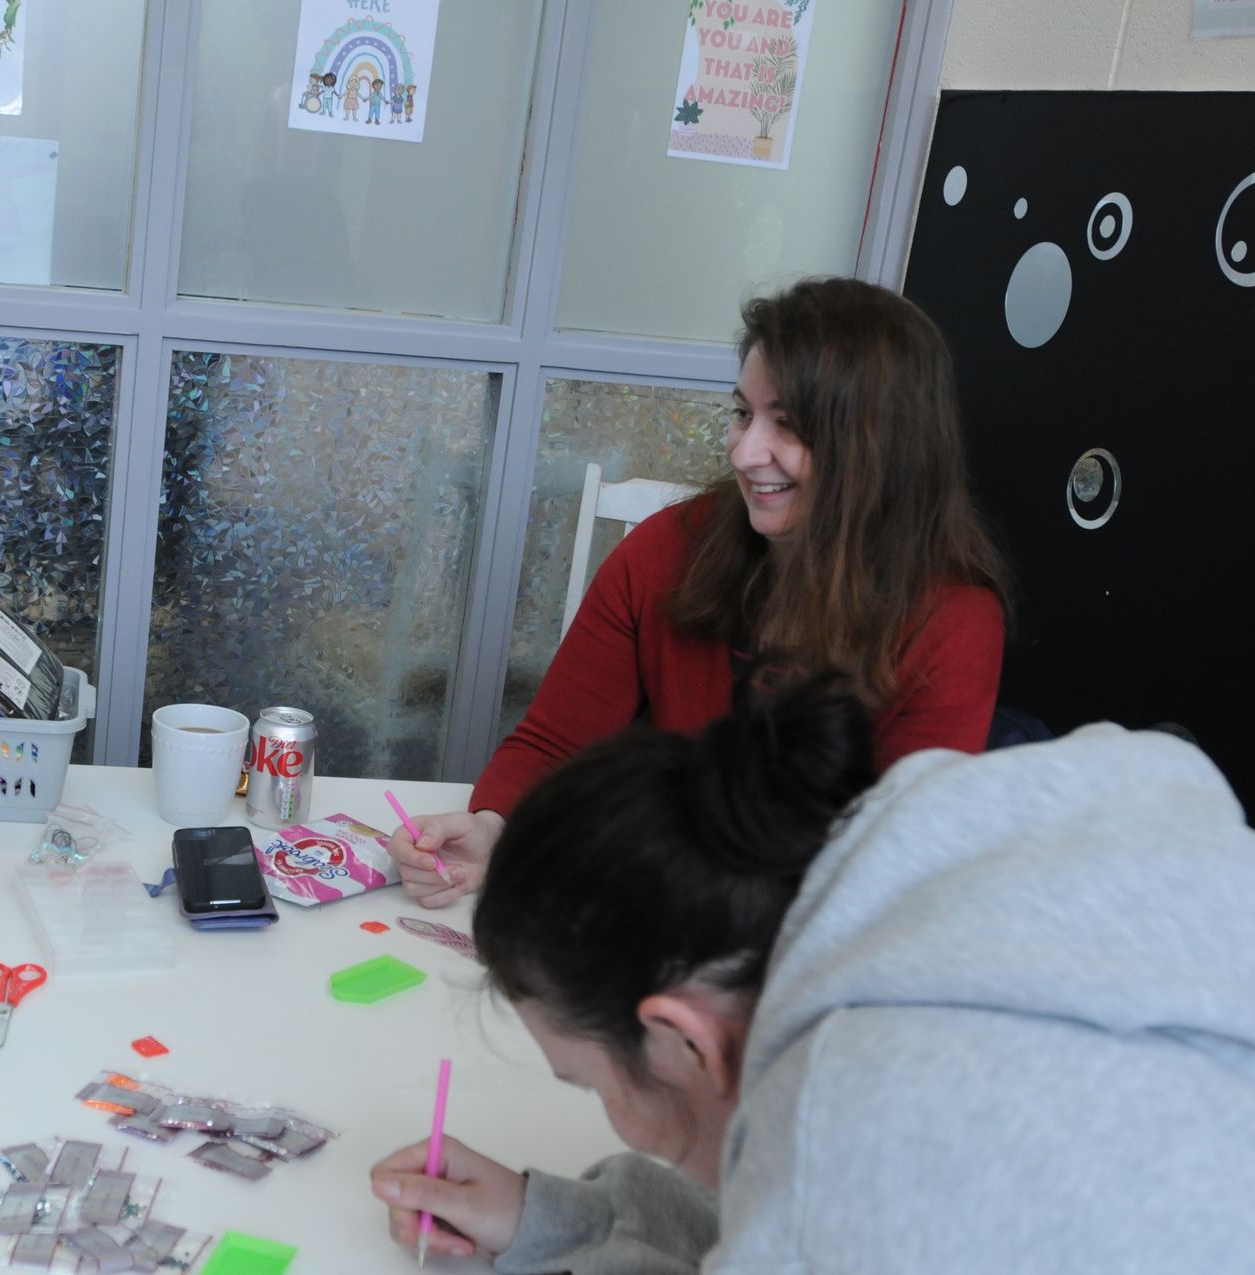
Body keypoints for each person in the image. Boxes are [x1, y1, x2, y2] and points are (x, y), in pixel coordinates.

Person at [369, 677, 1255, 1271]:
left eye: (587, 1080)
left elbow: (817, 1182)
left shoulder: (864, 1134)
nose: (610, 1116)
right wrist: (551, 1219)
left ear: (682, 1035)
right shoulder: (945, 849)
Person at [389, 277, 1010, 906]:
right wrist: (494, 830)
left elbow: (901, 866)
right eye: (743, 413)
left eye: (788, 425)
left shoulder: (954, 620)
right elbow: (556, 743)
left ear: (880, 446)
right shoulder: (668, 549)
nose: (744, 451)